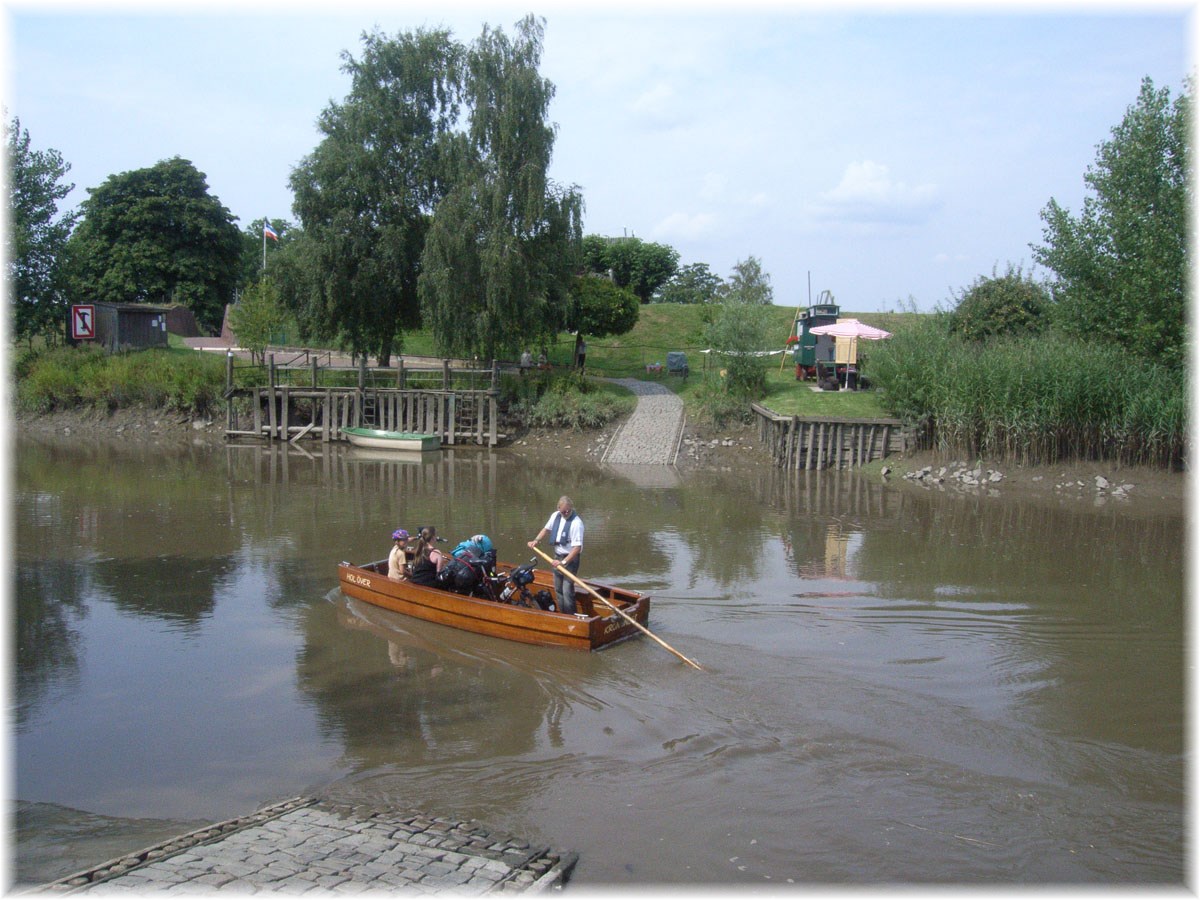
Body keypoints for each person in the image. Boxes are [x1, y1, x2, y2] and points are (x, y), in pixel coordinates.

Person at [528, 496, 583, 615]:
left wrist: (563, 563)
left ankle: (570, 616)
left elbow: (577, 548)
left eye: (569, 510)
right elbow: (546, 529)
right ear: (558, 509)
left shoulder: (576, 523)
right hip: (557, 557)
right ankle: (563, 615)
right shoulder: (555, 516)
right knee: (558, 589)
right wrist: (536, 540)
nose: (566, 513)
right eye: (564, 511)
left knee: (567, 589)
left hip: (570, 559)